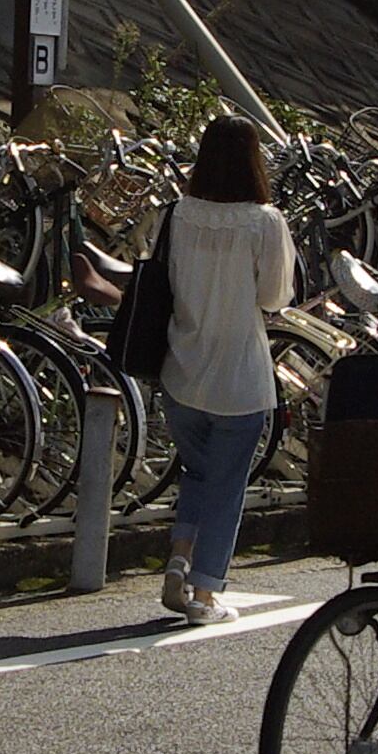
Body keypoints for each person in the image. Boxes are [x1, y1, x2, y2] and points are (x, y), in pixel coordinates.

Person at [149, 112, 293, 625]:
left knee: (198, 471)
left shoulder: (176, 214)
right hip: (239, 378)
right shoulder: (264, 222)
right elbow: (274, 297)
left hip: (181, 370)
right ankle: (205, 593)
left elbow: (163, 281)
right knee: (227, 485)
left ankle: (179, 559)